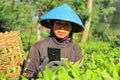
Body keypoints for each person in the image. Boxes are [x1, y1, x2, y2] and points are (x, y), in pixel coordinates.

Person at [22, 3, 84, 79]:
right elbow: (26, 75)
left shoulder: (76, 49)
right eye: (58, 23)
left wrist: (69, 71)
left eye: (67, 25)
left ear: (72, 28)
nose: (62, 28)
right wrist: (39, 74)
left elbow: (80, 74)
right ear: (52, 25)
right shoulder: (38, 47)